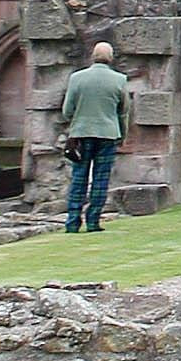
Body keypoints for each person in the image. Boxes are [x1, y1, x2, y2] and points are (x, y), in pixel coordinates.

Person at [57, 41, 132, 233]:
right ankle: (93, 221)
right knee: (101, 178)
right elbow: (123, 111)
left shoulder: (76, 78)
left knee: (79, 177)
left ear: (92, 56)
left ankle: (73, 221)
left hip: (81, 133)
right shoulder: (119, 79)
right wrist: (122, 135)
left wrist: (77, 120)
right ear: (111, 57)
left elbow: (66, 111)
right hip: (108, 134)